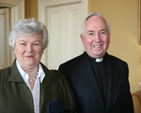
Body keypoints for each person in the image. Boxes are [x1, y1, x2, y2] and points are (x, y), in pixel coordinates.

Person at [58, 12, 133, 113]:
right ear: (82, 38)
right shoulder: (67, 70)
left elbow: (127, 107)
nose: (97, 39)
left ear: (109, 37)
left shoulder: (121, 66)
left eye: (102, 32)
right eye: (91, 33)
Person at [0, 18, 77, 113]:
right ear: (13, 47)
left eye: (35, 44)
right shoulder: (1, 79)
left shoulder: (58, 80)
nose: (29, 49)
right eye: (23, 44)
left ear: (43, 48)